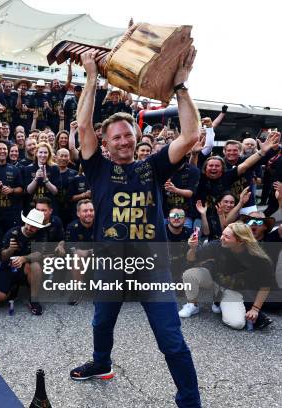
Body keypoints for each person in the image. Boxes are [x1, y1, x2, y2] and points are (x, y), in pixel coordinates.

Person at [68, 48, 202, 408]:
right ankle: (101, 363)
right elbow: (83, 126)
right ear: (106, 144)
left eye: (128, 135)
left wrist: (180, 86)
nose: (124, 141)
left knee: (171, 340)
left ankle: (190, 401)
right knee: (101, 324)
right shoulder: (96, 168)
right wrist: (92, 76)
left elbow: (191, 134)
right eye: (116, 138)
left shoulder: (153, 167)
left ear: (135, 134)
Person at [180, 223, 275, 330]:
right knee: (190, 274)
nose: (221, 238)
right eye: (222, 234)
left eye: (227, 237)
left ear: (241, 241)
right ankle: (193, 305)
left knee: (237, 324)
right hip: (214, 280)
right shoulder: (217, 245)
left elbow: (265, 286)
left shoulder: (259, 259)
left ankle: (219, 302)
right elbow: (191, 259)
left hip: (234, 290)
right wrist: (192, 248)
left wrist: (255, 309)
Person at [0, 208, 48, 315]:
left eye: (34, 226)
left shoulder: (41, 234)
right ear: (25, 221)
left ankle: (34, 299)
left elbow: (39, 254)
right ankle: (12, 289)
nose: (30, 228)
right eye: (29, 224)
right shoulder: (12, 232)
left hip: (26, 268)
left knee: (35, 265)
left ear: (39, 227)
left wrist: (23, 259)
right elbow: (2, 257)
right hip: (8, 267)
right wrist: (10, 250)